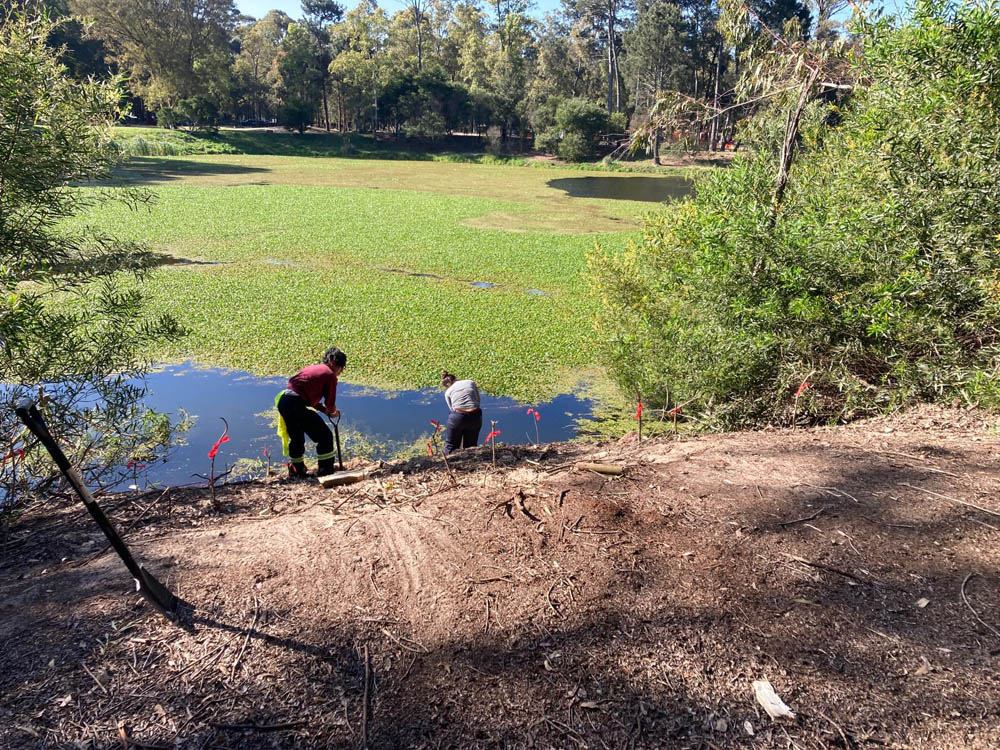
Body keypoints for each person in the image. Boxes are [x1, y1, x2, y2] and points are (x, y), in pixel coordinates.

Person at [275, 346, 346, 478]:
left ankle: (297, 471)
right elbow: (330, 403)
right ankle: (326, 470)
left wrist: (325, 411)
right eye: (340, 370)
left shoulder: (314, 369)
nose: (339, 374)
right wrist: (333, 412)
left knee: (296, 438)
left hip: (284, 401)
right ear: (334, 363)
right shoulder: (330, 375)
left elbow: (310, 399)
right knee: (324, 436)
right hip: (295, 403)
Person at [441, 370, 482, 453]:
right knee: (471, 447)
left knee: (451, 446)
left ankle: (449, 464)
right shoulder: (470, 382)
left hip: (458, 417)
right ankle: (471, 463)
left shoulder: (448, 392)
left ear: (446, 385)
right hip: (475, 416)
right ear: (456, 379)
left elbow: (452, 409)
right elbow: (478, 401)